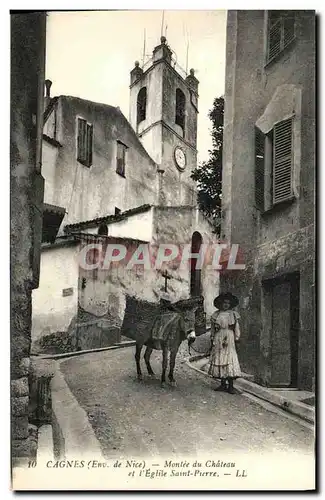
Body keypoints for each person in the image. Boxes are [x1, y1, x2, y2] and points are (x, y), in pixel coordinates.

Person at [208, 292, 241, 394]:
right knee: (220, 358)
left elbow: (236, 327)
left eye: (228, 303)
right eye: (224, 303)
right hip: (219, 337)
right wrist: (212, 337)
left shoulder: (233, 314)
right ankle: (223, 384)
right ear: (221, 304)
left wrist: (237, 337)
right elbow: (213, 328)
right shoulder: (216, 315)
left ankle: (231, 385)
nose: (226, 304)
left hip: (229, 336)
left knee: (229, 358)